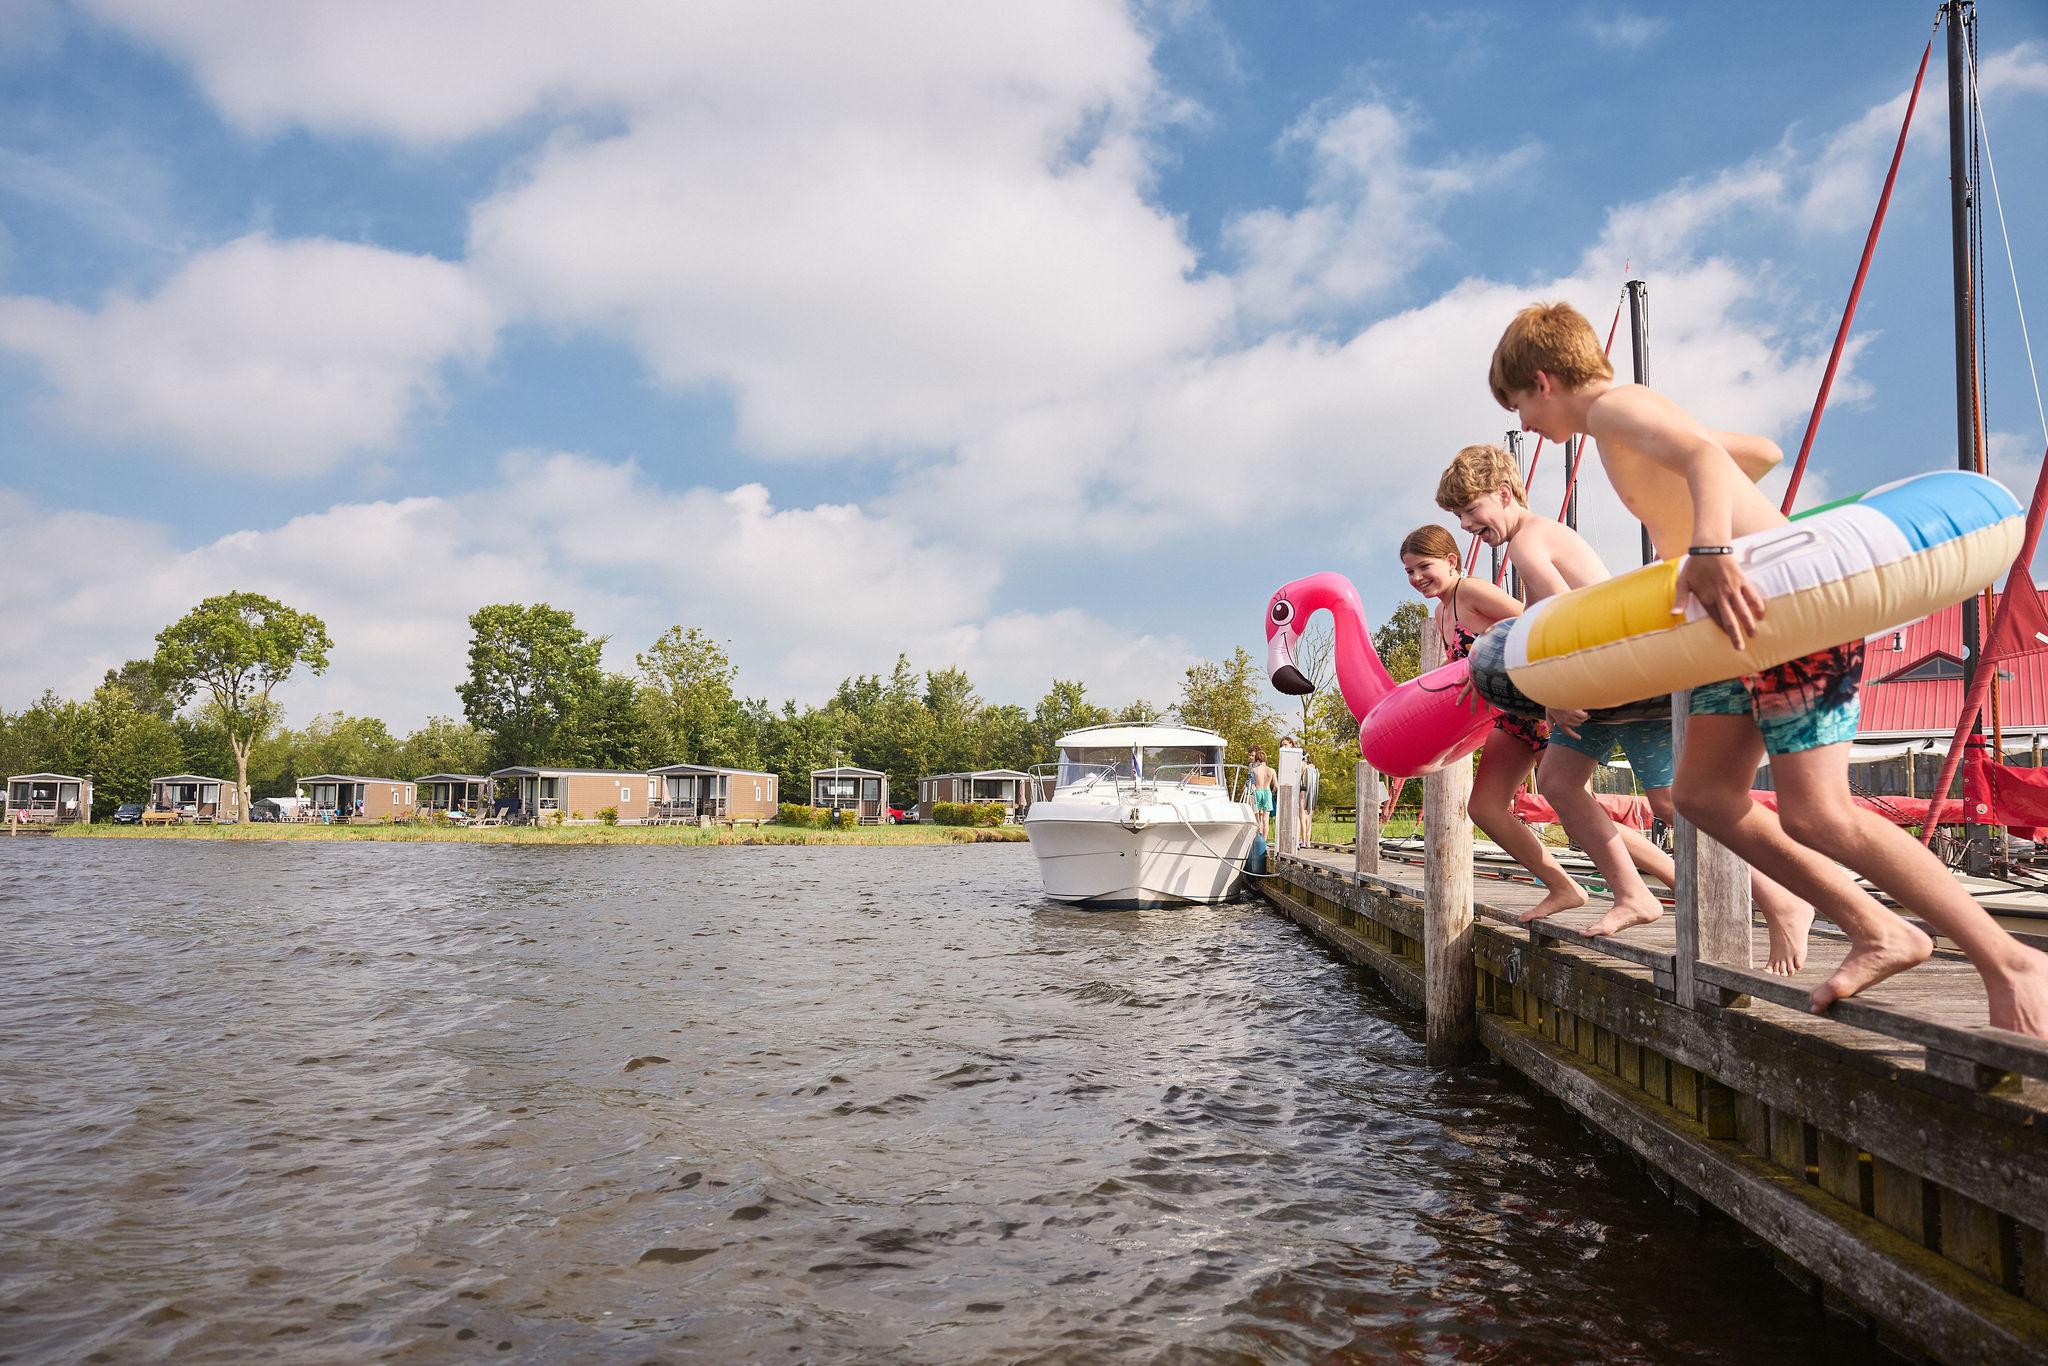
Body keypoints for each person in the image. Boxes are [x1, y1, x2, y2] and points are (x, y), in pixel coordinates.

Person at [1489, 300, 2048, 1033]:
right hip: (1734, 636)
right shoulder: (1617, 426)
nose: (1525, 423)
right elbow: (1754, 451)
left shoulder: (1619, 407)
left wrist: (1716, 548)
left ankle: (2008, 959)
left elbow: (1707, 458)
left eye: (1519, 404)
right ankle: (1877, 928)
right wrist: (1708, 511)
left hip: (1783, 616)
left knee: (1819, 813)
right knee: (1704, 794)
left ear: (1544, 378)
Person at [1437, 442, 1815, 974]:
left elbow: (1562, 620)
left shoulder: (1527, 543)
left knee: (1673, 802)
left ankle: (1782, 899)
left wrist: (1552, 696)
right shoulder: (1538, 535)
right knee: (1561, 783)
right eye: (1458, 516)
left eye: (1471, 510)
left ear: (1503, 494)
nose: (1468, 523)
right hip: (1603, 685)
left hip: (1628, 683)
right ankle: (1634, 895)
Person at [1400, 524, 1588, 920]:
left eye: (1423, 566)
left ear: (1452, 561)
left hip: (1538, 706)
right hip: (1508, 717)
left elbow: (1534, 623)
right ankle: (1563, 886)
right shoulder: (1440, 613)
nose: (1417, 578)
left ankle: (1672, 877)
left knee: (1579, 815)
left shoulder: (1472, 592)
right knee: (1485, 807)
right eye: (1409, 572)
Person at [1247, 746, 1276, 838]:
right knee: (1265, 819)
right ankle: (1265, 839)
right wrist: (1272, 793)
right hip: (1267, 792)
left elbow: (1251, 783)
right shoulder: (1271, 770)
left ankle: (1258, 836)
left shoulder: (1254, 770)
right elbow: (1276, 786)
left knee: (1258, 818)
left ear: (1257, 760)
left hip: (1257, 792)